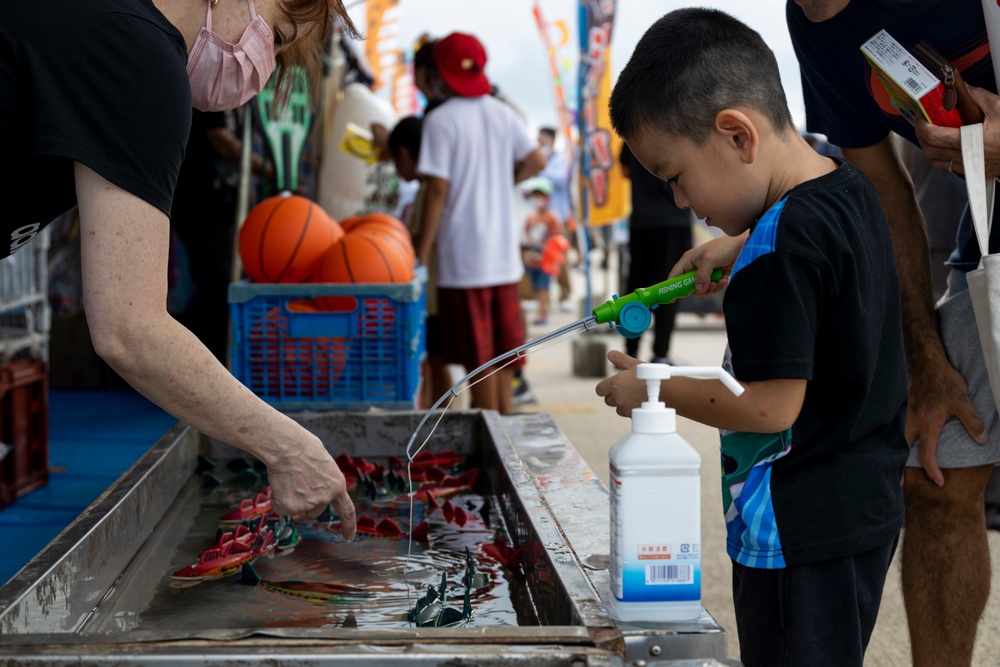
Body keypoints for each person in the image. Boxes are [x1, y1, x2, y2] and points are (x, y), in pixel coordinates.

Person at [595, 9, 908, 666]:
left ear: (737, 134)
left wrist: (650, 388)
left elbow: (770, 406)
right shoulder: (845, 188)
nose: (680, 201)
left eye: (675, 176)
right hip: (860, 507)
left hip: (794, 527)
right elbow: (819, 247)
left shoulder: (778, 253)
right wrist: (738, 244)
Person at [0, 0, 360, 538]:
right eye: (279, 38)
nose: (261, 71)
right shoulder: (138, 56)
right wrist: (288, 447)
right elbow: (130, 329)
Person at [785, 2, 998, 664]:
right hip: (988, 248)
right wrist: (924, 356)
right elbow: (878, 182)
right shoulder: (814, 25)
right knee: (936, 471)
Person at [415, 31, 546, 414]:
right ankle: (504, 431)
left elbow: (437, 191)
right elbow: (537, 160)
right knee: (503, 357)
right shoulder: (502, 112)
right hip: (503, 258)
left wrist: (421, 253)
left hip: (462, 259)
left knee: (478, 360)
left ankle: (490, 435)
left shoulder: (440, 121)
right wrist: (507, 179)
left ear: (440, 73)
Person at [618, 142, 693, 365]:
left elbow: (624, 170)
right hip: (674, 219)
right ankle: (660, 353)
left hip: (643, 219)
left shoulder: (631, 130)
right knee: (669, 286)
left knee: (636, 286)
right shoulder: (681, 125)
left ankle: (630, 350)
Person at [537, 127, 575, 311]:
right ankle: (542, 297)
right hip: (540, 218)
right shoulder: (539, 157)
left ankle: (565, 295)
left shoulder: (559, 159)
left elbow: (561, 180)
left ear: (551, 139)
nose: (539, 140)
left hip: (558, 216)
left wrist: (541, 167)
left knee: (560, 257)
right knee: (539, 257)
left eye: (542, 137)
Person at [522, 178, 565, 326]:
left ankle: (543, 312)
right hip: (533, 259)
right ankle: (542, 309)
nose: (538, 199)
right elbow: (527, 235)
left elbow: (558, 236)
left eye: (541, 195)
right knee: (535, 287)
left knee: (543, 287)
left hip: (546, 260)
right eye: (536, 195)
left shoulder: (552, 216)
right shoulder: (531, 216)